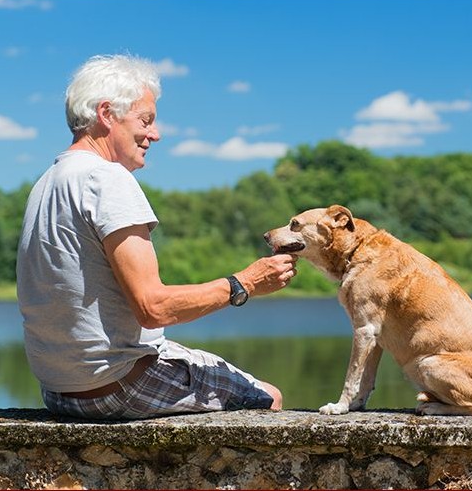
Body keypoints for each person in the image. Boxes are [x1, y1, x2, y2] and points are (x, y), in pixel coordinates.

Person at [16, 54, 297, 420]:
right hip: (118, 386)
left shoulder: (46, 182)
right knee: (267, 398)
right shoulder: (108, 179)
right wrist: (245, 283)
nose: (155, 133)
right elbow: (153, 308)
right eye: (145, 120)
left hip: (59, 391)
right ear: (106, 114)